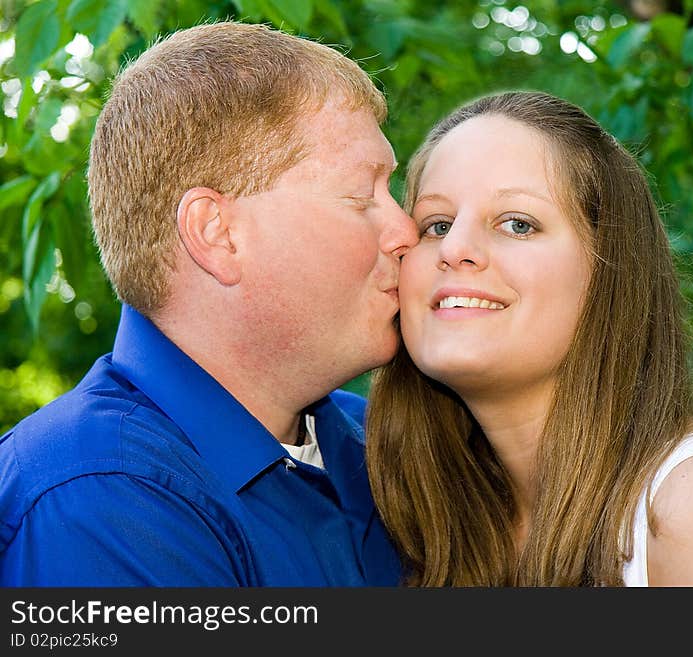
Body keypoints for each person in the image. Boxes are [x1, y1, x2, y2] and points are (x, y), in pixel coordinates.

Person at [0, 21, 416, 586]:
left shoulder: (368, 439)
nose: (406, 231)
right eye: (360, 196)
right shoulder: (101, 500)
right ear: (217, 233)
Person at [364, 90, 693, 587]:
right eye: (436, 224)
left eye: (518, 224)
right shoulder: (425, 524)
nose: (455, 247)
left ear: (612, 272)